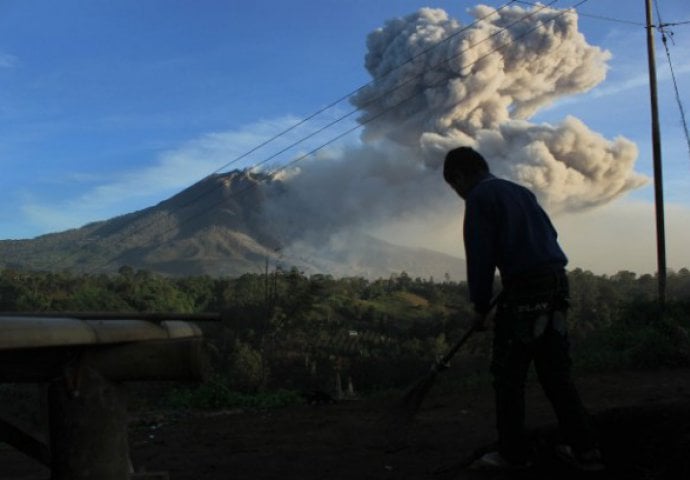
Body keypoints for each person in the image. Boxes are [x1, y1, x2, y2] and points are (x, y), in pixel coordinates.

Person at [442, 146, 603, 472]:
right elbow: (550, 235)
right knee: (556, 375)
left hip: (526, 295)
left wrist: (480, 305)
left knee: (508, 376)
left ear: (459, 177)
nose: (458, 194)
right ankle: (585, 451)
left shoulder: (479, 197)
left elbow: (480, 254)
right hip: (556, 286)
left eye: (454, 187)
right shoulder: (520, 191)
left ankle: (513, 455)